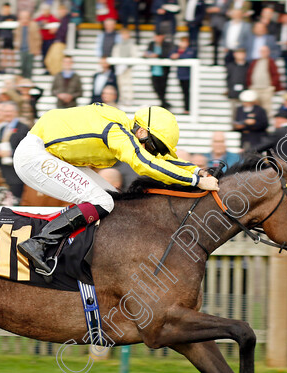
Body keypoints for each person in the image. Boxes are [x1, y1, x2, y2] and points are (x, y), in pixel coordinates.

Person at [12, 104, 218, 273]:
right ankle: (39, 243)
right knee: (103, 201)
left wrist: (197, 171)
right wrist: (194, 181)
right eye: (154, 146)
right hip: (35, 156)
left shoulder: (127, 129)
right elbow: (146, 164)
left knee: (114, 201)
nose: (154, 152)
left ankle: (88, 258)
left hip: (54, 154)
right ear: (142, 131)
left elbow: (160, 159)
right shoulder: (116, 133)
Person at [145, 32, 174, 110]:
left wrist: (157, 55)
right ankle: (164, 103)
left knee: (162, 88)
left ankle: (164, 103)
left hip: (163, 71)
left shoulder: (167, 44)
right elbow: (147, 52)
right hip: (154, 70)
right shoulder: (151, 44)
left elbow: (167, 54)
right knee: (156, 87)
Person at [171, 36, 197, 115]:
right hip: (181, 75)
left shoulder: (191, 50)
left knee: (188, 92)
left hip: (189, 75)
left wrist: (179, 56)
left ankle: (189, 108)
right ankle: (186, 108)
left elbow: (189, 56)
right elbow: (170, 55)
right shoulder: (176, 50)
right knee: (184, 92)